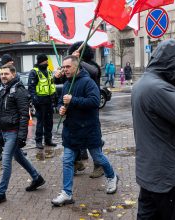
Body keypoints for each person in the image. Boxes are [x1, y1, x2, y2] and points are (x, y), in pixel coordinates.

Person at [131, 39, 175, 220]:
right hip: (168, 178)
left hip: (152, 174)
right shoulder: (158, 88)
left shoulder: (145, 83)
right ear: (172, 62)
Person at [51, 55, 118, 206]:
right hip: (72, 130)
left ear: (77, 67)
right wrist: (61, 108)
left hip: (88, 129)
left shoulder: (88, 82)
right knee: (67, 160)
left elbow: (95, 102)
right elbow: (62, 102)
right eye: (63, 67)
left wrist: (73, 100)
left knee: (99, 158)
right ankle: (67, 193)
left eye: (68, 67)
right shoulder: (67, 84)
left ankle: (112, 176)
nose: (65, 70)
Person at [0, 64, 45, 205]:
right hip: (4, 132)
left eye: (6, 74)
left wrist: (22, 136)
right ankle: (37, 178)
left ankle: (1, 193)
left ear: (13, 74)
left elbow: (24, 115)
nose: (3, 76)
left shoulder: (19, 91)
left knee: (6, 162)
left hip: (13, 132)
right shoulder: (1, 90)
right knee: (19, 158)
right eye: (2, 74)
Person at [67, 41, 105, 178]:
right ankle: (77, 163)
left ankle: (99, 165)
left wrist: (78, 61)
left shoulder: (92, 66)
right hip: (76, 108)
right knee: (74, 137)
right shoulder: (74, 69)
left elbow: (93, 72)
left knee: (93, 140)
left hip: (89, 109)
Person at [28, 54, 57, 149]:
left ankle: (48, 140)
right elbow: (31, 88)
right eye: (46, 61)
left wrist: (54, 97)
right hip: (40, 102)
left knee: (49, 122)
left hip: (49, 100)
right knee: (40, 122)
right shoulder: (34, 72)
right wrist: (35, 99)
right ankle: (38, 141)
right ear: (41, 61)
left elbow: (51, 84)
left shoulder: (48, 71)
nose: (47, 62)